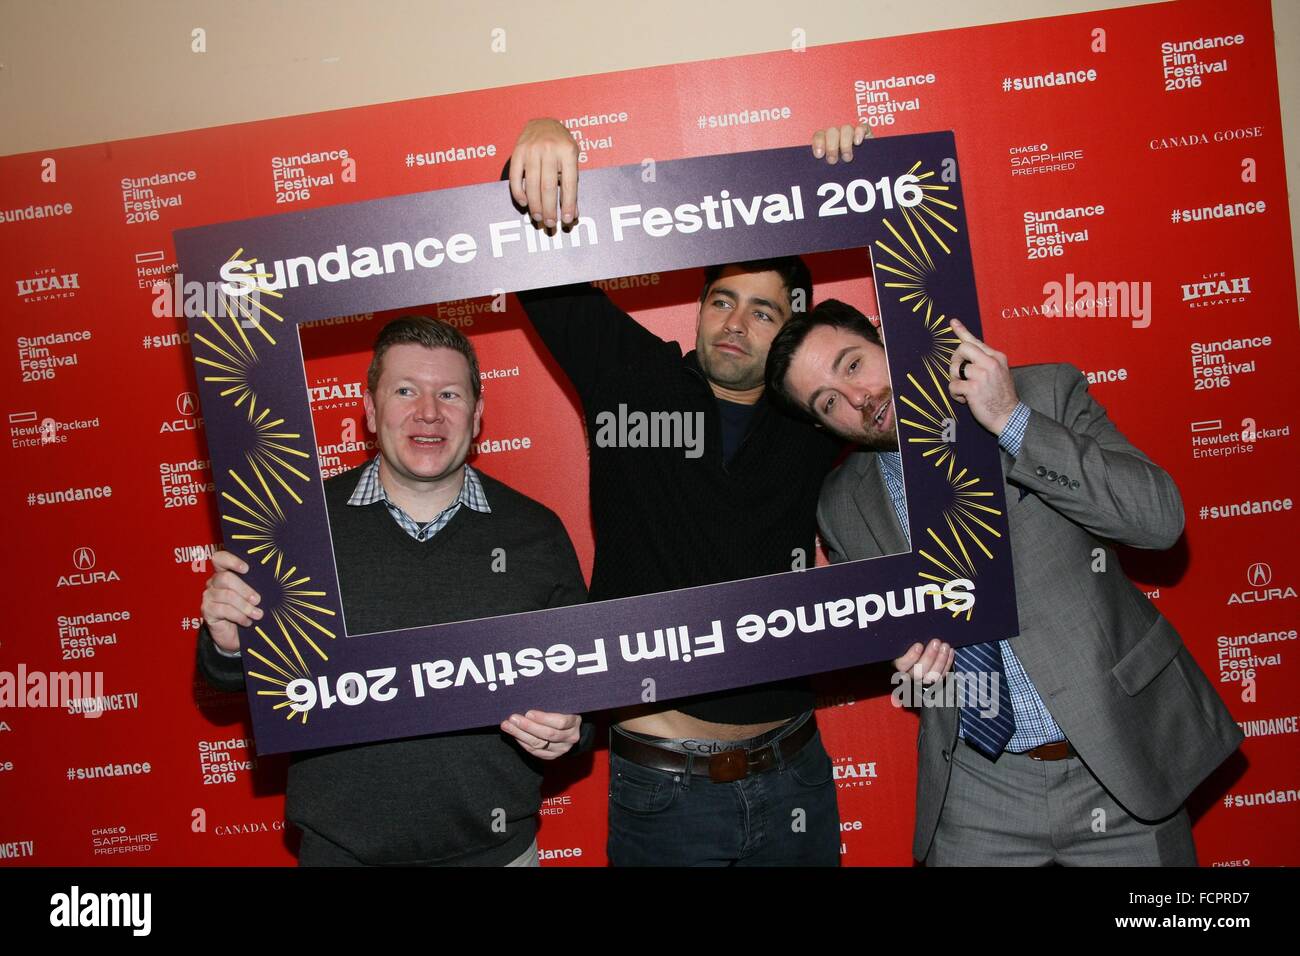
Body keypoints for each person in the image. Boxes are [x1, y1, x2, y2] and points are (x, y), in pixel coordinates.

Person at [500, 118, 872, 866]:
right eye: (722, 301)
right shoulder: (632, 379)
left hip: (795, 771)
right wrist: (536, 144)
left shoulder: (816, 416)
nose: (735, 324)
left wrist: (851, 172)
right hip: (664, 793)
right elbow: (525, 247)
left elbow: (913, 386)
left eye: (763, 312)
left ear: (793, 333)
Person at [764, 296, 1243, 865]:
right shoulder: (842, 507)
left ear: (883, 338)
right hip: (976, 786)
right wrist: (911, 667)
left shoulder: (1043, 394)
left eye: (852, 364)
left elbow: (1158, 520)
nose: (859, 398)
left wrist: (1014, 423)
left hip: (1115, 760)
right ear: (821, 424)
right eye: (828, 402)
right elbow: (900, 650)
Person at [196, 316, 589, 866]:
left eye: (449, 394)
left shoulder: (536, 532)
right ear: (369, 408)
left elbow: (586, 686)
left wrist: (572, 725)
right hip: (342, 855)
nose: (428, 412)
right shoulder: (293, 527)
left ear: (476, 415)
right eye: (406, 390)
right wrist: (226, 643)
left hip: (497, 856)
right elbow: (225, 678)